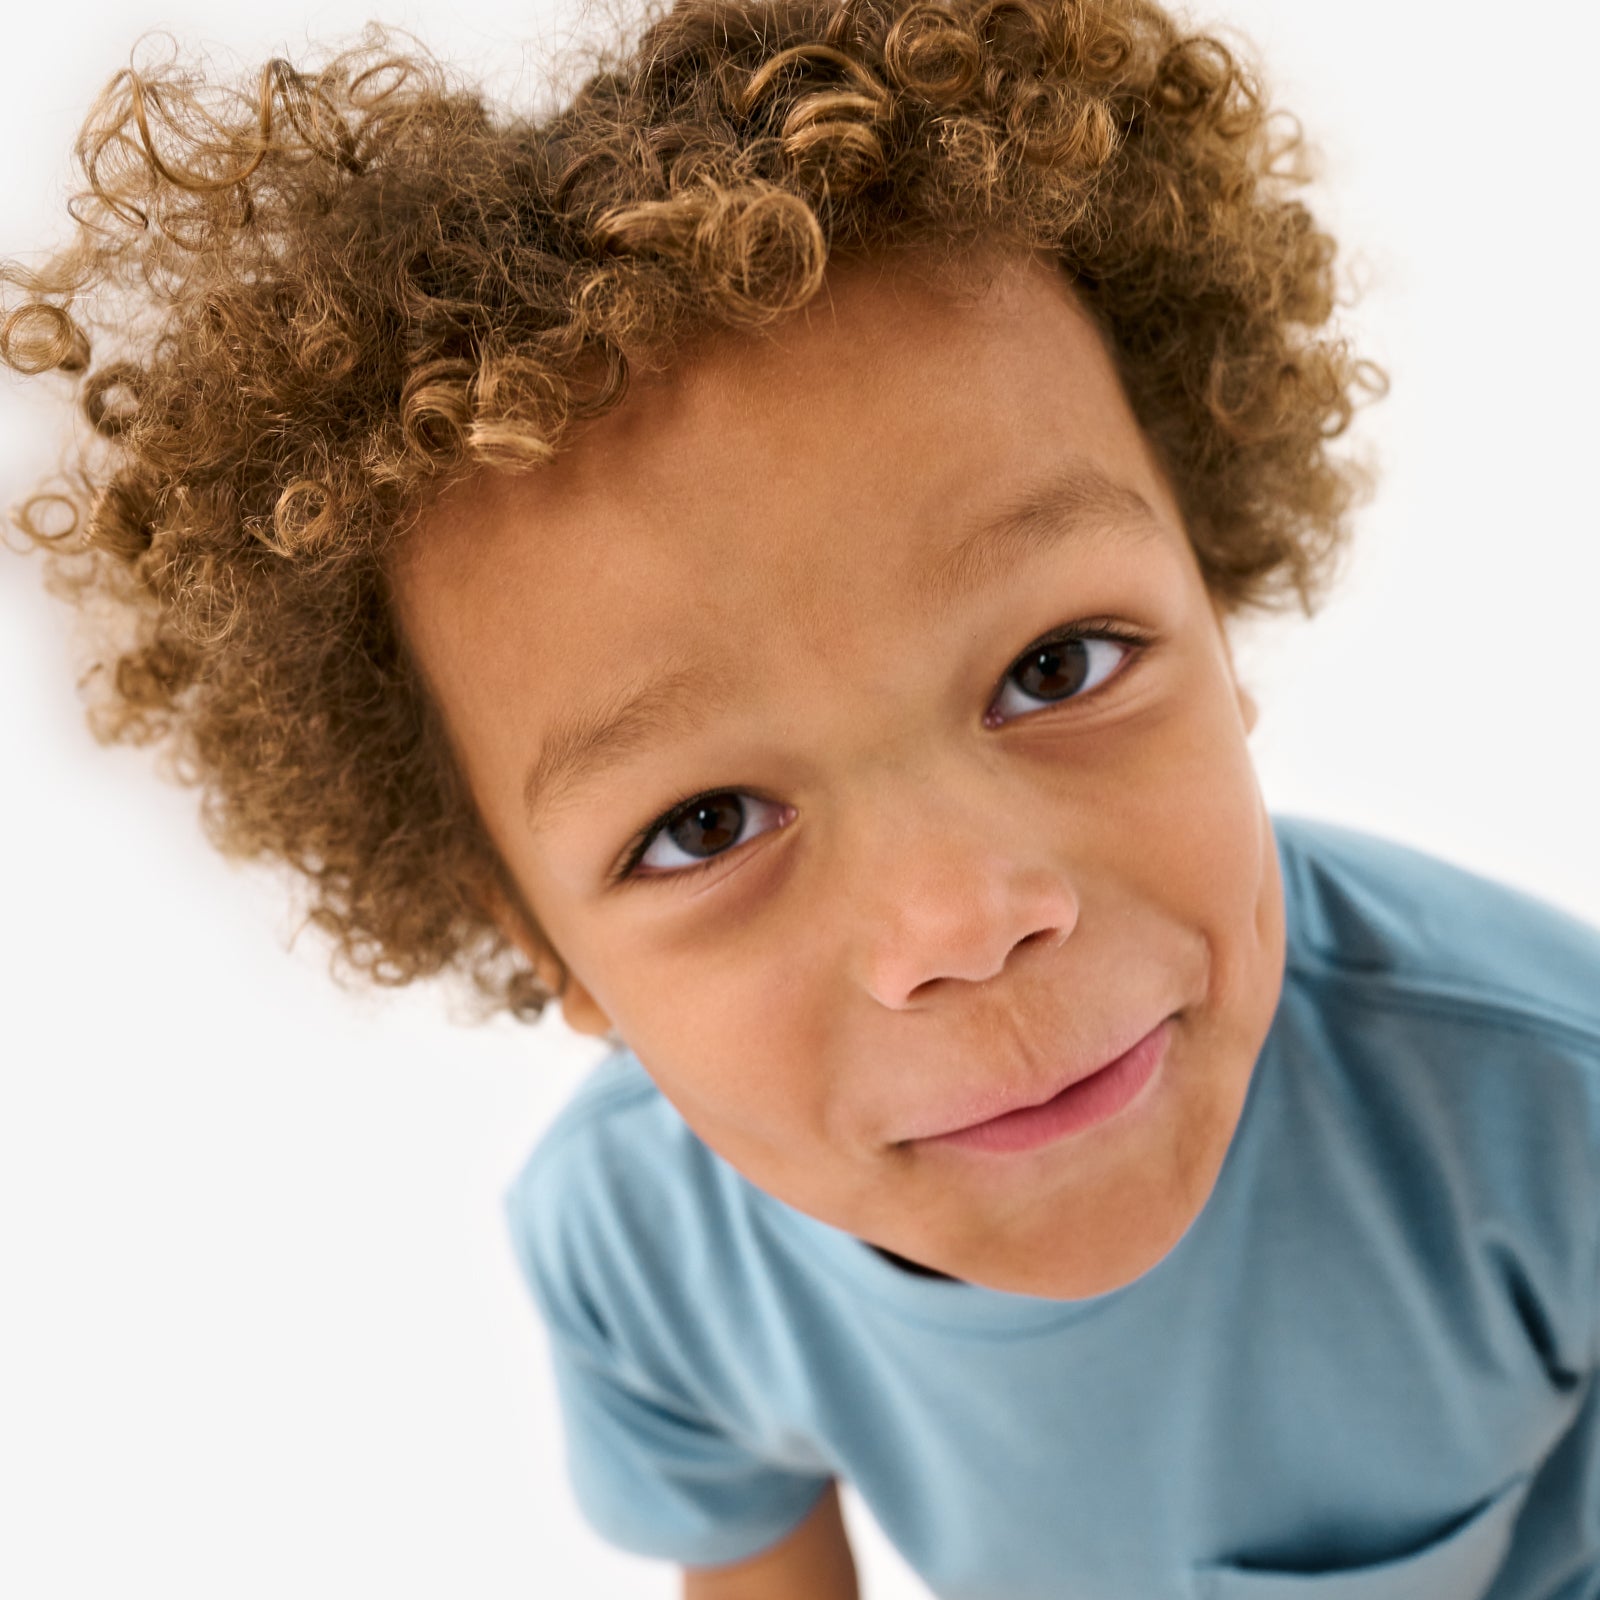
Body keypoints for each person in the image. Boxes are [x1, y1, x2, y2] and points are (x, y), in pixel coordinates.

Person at [3, 1, 1597, 1595]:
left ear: (1220, 603)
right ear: (549, 948)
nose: (965, 921)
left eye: (1059, 665)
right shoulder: (640, 1252)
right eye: (702, 826)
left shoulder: (1552, 1115)